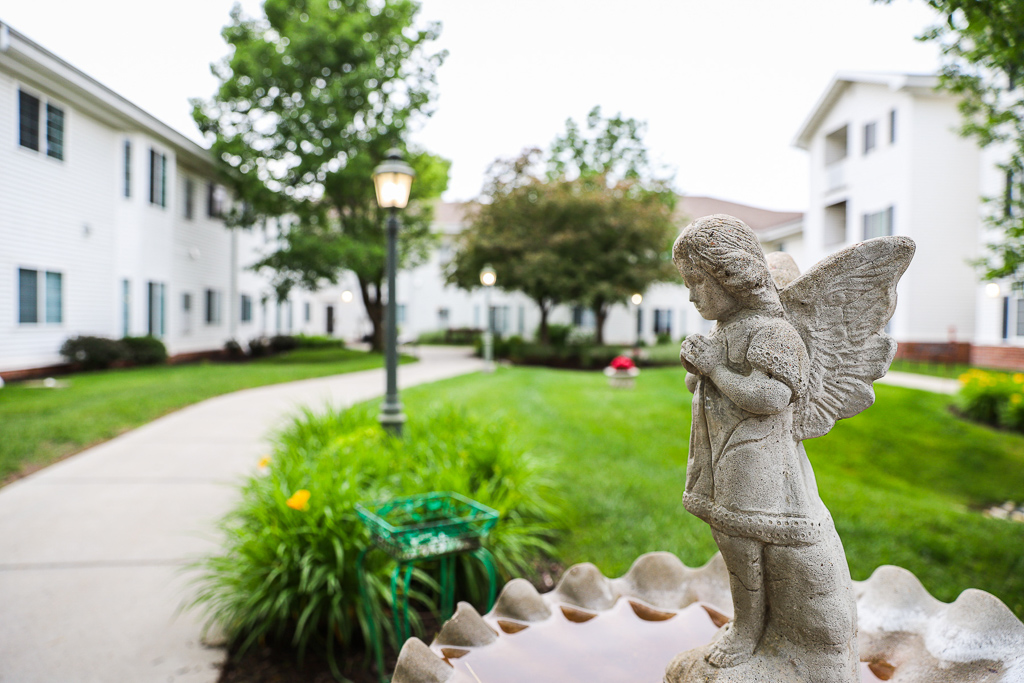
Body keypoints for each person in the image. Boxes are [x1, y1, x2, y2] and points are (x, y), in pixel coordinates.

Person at [675, 215, 832, 667]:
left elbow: (771, 397)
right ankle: (750, 622)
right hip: (725, 454)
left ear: (733, 277)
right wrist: (700, 372)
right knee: (730, 537)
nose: (691, 294)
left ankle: (749, 629)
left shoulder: (773, 331)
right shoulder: (729, 328)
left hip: (756, 458)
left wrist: (715, 371)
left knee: (743, 540)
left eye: (697, 281)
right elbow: (710, 388)